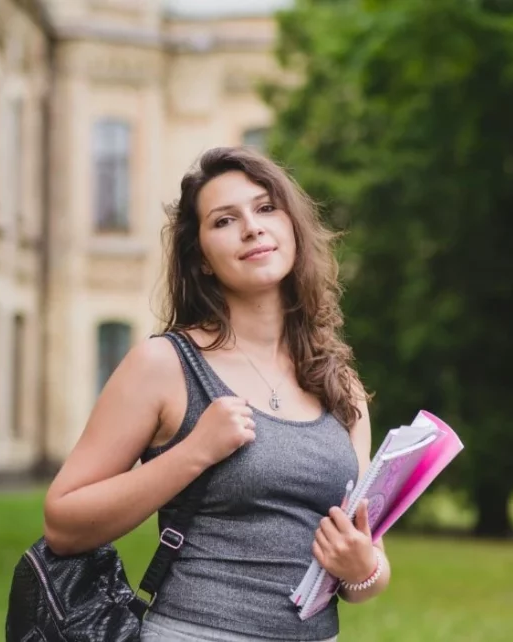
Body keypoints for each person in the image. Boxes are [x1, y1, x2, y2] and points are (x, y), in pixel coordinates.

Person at [42, 146, 391, 641]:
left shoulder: (339, 384)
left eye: (266, 208)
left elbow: (366, 569)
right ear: (201, 259)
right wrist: (194, 453)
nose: (252, 227)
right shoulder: (165, 365)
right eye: (225, 220)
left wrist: (363, 568)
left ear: (293, 227)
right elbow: (63, 521)